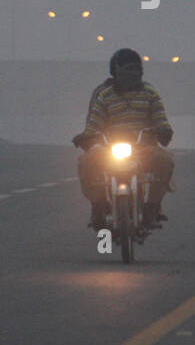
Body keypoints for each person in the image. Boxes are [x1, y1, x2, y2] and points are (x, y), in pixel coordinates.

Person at [72, 48, 175, 230]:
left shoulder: (150, 94)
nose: (131, 73)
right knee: (86, 161)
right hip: (109, 148)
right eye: (126, 69)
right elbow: (94, 123)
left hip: (143, 148)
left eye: (134, 69)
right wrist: (85, 137)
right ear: (115, 72)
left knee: (165, 160)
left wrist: (164, 130)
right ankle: (98, 205)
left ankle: (152, 207)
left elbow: (160, 119)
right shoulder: (105, 96)